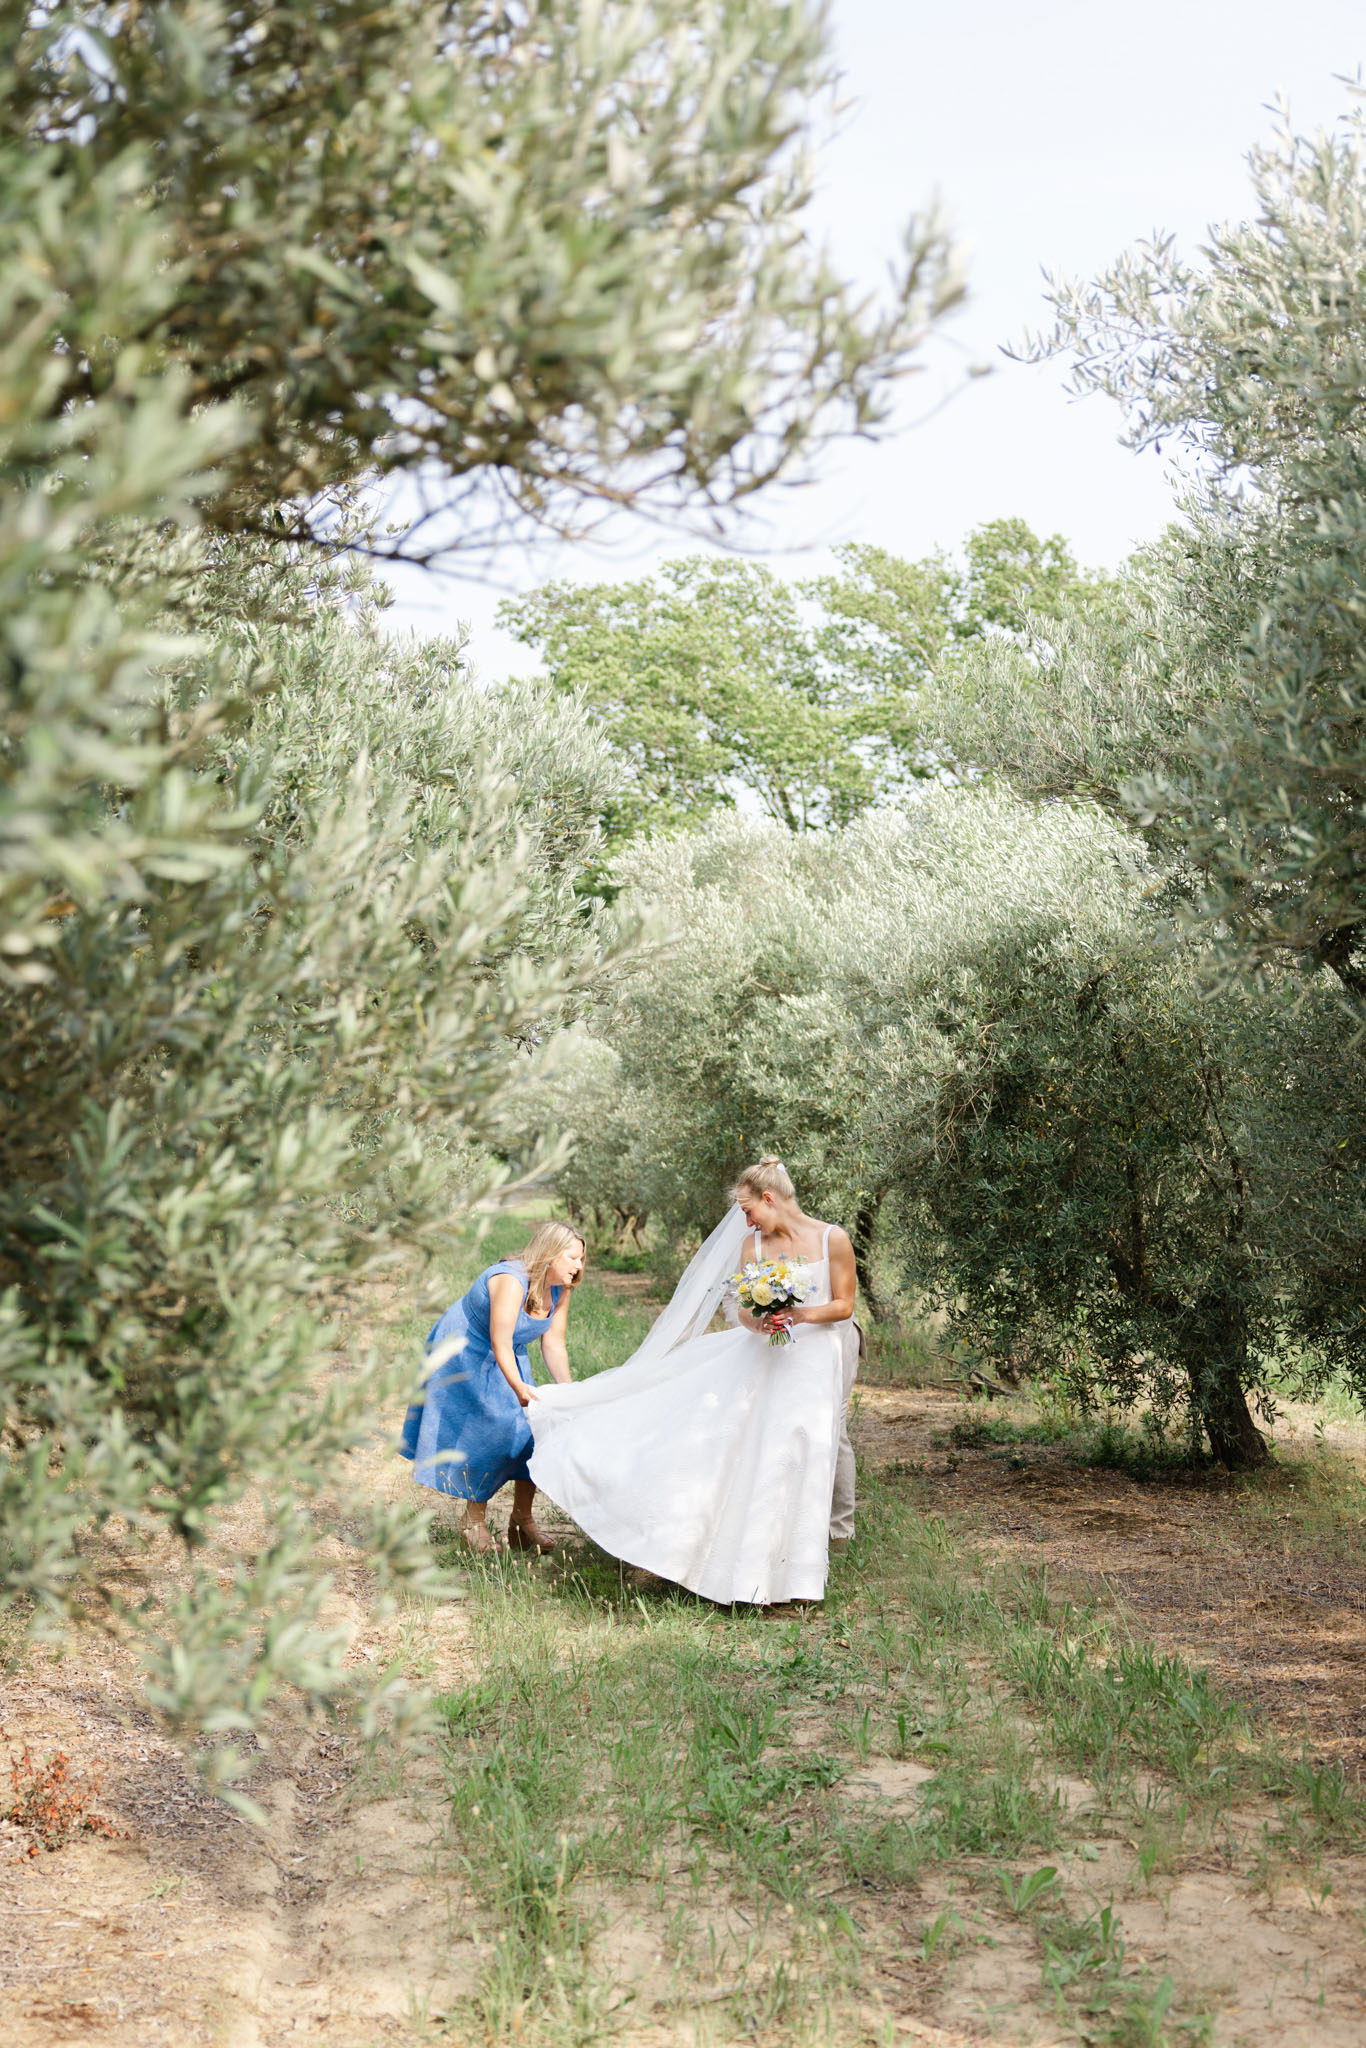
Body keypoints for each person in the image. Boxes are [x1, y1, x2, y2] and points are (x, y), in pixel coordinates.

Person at [528, 1159, 857, 1607]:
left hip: (815, 1358)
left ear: (769, 1198)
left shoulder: (831, 1238)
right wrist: (758, 1321)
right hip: (765, 1357)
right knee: (754, 1450)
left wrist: (800, 1313)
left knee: (805, 1451)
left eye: (748, 1209)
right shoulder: (752, 1246)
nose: (745, 1220)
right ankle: (743, 1571)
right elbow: (743, 1309)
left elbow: (843, 1305)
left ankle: (798, 1577)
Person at [398, 1222, 585, 1554]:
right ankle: (473, 1525)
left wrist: (569, 1394)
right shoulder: (511, 1281)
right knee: (492, 1428)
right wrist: (519, 1389)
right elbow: (499, 1342)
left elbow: (554, 1344)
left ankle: (522, 1521)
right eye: (572, 1257)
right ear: (550, 1254)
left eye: (582, 1259)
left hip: (507, 1351)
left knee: (534, 1427)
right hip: (465, 1348)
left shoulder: (559, 1288)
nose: (578, 1266)